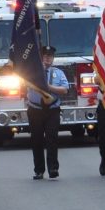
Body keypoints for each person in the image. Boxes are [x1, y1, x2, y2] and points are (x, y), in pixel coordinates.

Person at [26, 46, 70, 180]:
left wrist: (49, 87)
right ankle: (39, 170)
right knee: (37, 140)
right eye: (45, 56)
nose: (47, 58)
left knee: (52, 139)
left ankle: (53, 168)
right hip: (35, 110)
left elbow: (65, 89)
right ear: (40, 57)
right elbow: (23, 82)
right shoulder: (31, 73)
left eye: (50, 56)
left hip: (52, 110)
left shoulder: (59, 73)